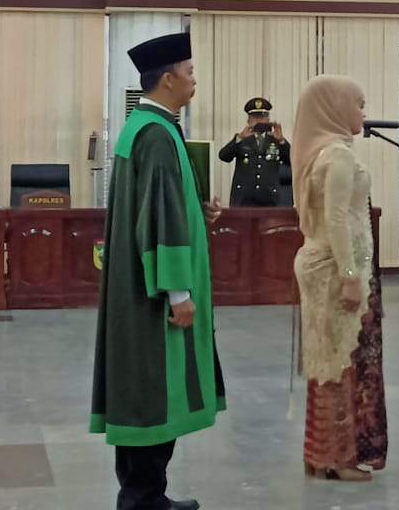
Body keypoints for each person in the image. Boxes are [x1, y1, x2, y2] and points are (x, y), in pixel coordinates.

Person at [91, 32, 225, 510]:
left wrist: (197, 208)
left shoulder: (144, 127)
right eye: (189, 73)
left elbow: (162, 205)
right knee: (153, 392)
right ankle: (145, 500)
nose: (194, 82)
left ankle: (148, 495)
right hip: (153, 296)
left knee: (141, 390)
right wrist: (178, 294)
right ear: (168, 79)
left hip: (136, 287)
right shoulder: (158, 134)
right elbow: (161, 220)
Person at [292, 75, 387, 482]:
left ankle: (319, 455)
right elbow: (335, 218)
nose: (363, 113)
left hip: (319, 263)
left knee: (325, 361)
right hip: (335, 268)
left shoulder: (318, 154)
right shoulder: (338, 157)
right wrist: (350, 276)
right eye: (358, 103)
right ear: (334, 108)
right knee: (342, 363)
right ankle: (339, 457)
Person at [217, 97, 291, 207]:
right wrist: (239, 138)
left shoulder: (275, 140)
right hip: (243, 199)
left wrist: (281, 140)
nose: (259, 121)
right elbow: (223, 156)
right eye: (255, 118)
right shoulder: (242, 139)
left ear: (268, 120)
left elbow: (292, 160)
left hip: (270, 199)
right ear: (248, 120)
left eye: (262, 117)